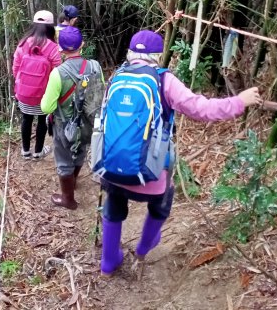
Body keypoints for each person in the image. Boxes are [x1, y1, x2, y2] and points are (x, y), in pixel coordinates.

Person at [98, 29, 262, 277]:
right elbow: (201, 108)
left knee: (114, 204)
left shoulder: (117, 77)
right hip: (149, 176)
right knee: (163, 200)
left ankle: (108, 262)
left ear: (130, 53)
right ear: (158, 55)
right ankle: (144, 248)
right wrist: (239, 101)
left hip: (110, 169)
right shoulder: (165, 81)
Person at [41, 26, 104, 210]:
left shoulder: (58, 74)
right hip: (88, 121)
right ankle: (73, 181)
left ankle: (68, 199)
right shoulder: (95, 66)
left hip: (64, 125)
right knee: (80, 152)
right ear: (82, 45)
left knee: (63, 160)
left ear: (60, 49)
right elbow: (99, 91)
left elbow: (47, 107)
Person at [13, 10, 61, 160]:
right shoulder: (53, 47)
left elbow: (15, 68)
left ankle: (25, 151)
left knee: (26, 119)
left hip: (24, 93)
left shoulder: (23, 44)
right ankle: (38, 152)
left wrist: (22, 85)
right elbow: (57, 72)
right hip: (43, 94)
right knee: (42, 120)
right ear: (51, 27)